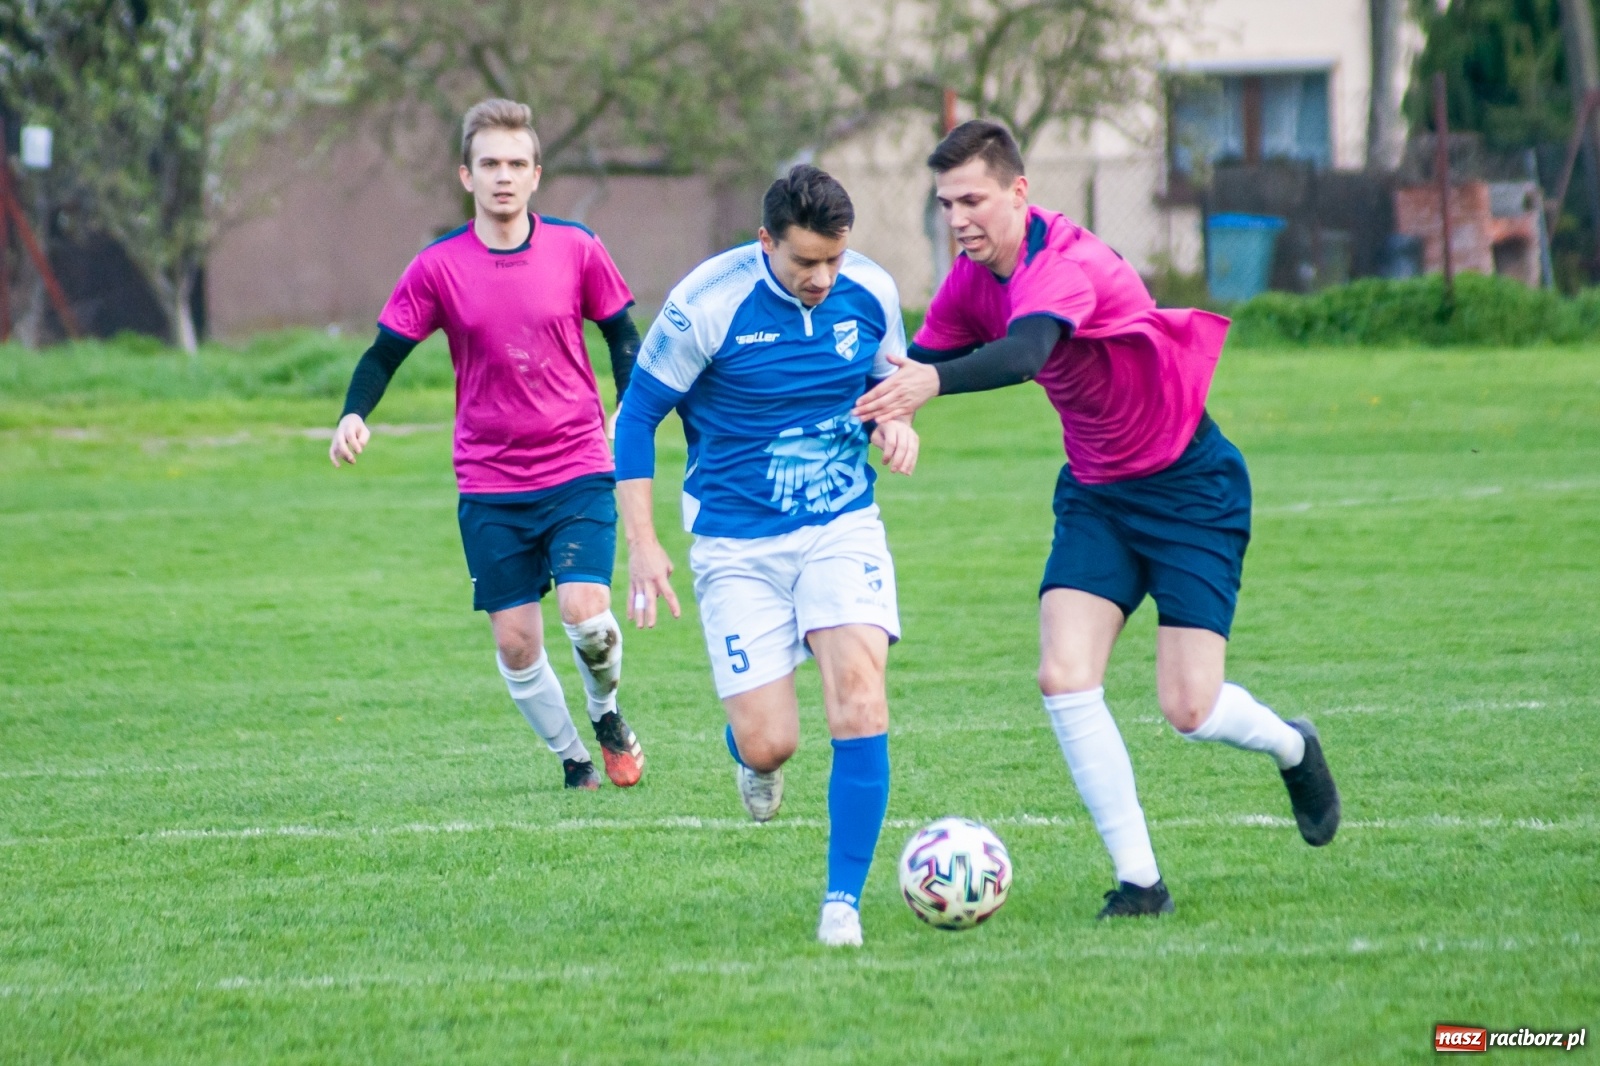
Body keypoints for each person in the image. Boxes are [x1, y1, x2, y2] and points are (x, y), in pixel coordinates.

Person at [854, 120, 1340, 919]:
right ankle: (1141, 884)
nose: (959, 219)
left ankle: (1293, 745)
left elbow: (1024, 355)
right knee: (1063, 675)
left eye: (973, 200)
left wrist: (926, 390)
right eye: (946, 204)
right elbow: (916, 364)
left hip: (1190, 489)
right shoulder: (971, 279)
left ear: (1018, 192)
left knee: (1190, 709)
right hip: (1096, 493)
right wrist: (891, 414)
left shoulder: (1063, 264)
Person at [614, 165, 918, 947]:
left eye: (834, 259)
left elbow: (889, 382)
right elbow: (636, 419)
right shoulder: (706, 305)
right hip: (736, 543)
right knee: (769, 740)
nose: (822, 278)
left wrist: (896, 422)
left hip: (840, 525)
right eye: (805, 262)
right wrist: (643, 545)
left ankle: (842, 903)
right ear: (765, 242)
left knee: (860, 699)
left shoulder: (871, 291)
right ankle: (752, 757)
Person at [329, 98, 645, 792]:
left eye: (516, 163)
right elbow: (384, 353)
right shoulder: (438, 266)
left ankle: (606, 715)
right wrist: (354, 413)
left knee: (587, 617)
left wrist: (629, 406)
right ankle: (575, 761)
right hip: (490, 481)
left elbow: (622, 332)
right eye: (490, 164)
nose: (504, 176)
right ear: (466, 176)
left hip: (576, 465)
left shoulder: (577, 248)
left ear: (536, 175)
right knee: (516, 643)